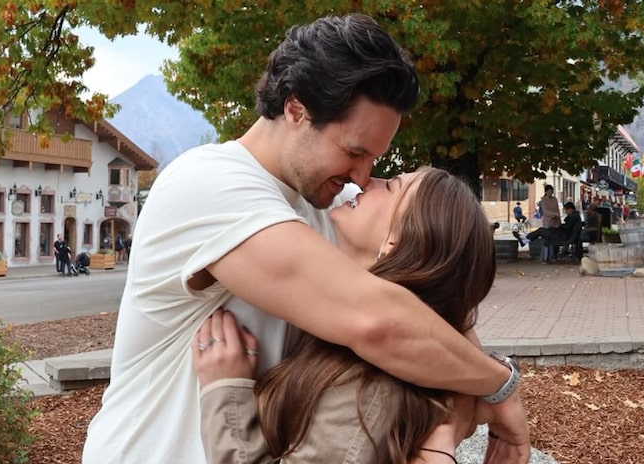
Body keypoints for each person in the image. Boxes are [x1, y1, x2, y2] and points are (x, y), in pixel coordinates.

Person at [82, 14, 529, 464]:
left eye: (374, 159)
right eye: (353, 151)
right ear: (296, 109)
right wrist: (497, 385)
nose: (362, 176)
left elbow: (430, 298)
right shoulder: (209, 184)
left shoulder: (329, 207)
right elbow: (377, 320)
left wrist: (479, 390)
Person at [194, 167, 502, 463]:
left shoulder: (366, 390)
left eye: (391, 186)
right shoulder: (361, 347)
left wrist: (227, 393)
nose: (367, 181)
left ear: (394, 242)